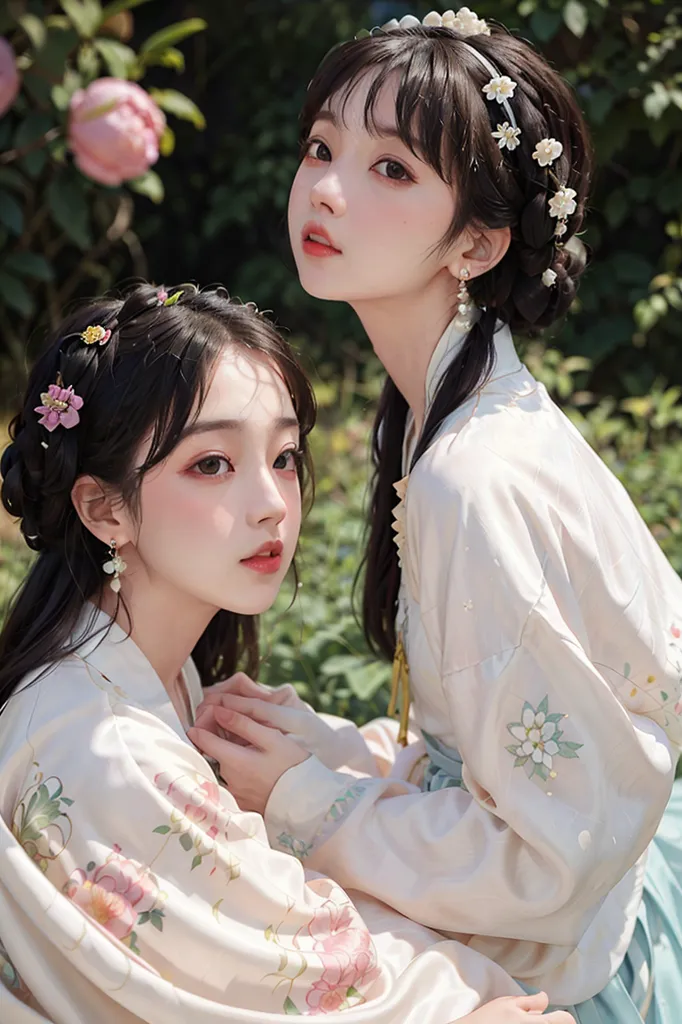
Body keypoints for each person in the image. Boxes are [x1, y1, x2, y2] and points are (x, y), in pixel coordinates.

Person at [189, 9, 682, 1023]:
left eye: (392, 171)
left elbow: (549, 851)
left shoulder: (472, 474)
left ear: (477, 241)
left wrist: (302, 795)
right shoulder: (441, 412)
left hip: (600, 942)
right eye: (322, 146)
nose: (325, 188)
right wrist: (340, 749)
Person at [0, 282, 573, 1024]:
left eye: (283, 455)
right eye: (212, 464)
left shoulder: (155, 672)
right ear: (104, 509)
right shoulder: (103, 748)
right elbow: (282, 968)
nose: (272, 501)